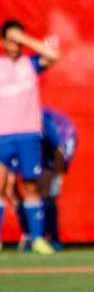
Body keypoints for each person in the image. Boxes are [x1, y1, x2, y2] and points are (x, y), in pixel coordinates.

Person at [0, 20, 59, 255]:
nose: (15, 45)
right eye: (11, 40)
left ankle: (36, 239)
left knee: (30, 186)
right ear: (3, 42)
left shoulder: (30, 64)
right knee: (1, 186)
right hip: (2, 135)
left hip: (28, 134)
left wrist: (23, 39)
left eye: (18, 40)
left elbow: (53, 54)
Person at [11, 107, 77, 251]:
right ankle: (29, 235)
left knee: (47, 195)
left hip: (49, 157)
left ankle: (50, 238)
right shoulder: (10, 123)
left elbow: (58, 150)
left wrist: (58, 177)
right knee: (10, 191)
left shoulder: (42, 121)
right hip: (24, 153)